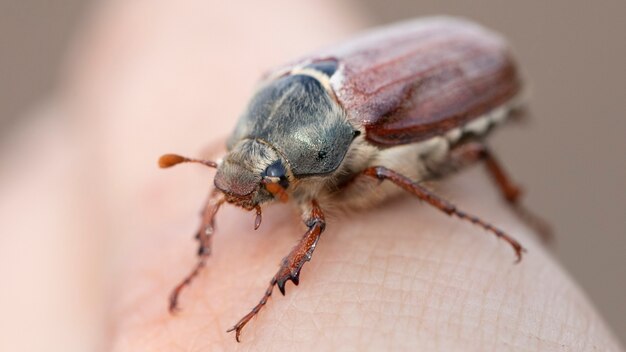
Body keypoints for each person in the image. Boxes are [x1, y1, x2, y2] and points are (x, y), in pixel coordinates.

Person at [0, 1, 621, 351]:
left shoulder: (352, 152)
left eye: (269, 184)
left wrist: (465, 215)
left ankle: (476, 209)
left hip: (476, 75)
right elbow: (231, 174)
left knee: (432, 166)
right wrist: (203, 248)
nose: (253, 194)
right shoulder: (263, 109)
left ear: (302, 166)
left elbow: (322, 210)